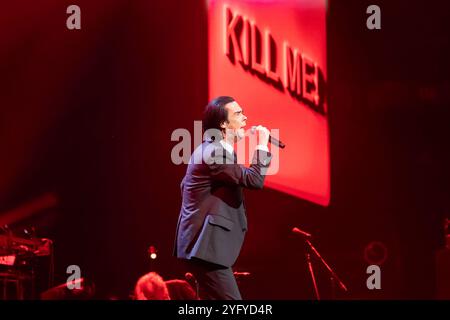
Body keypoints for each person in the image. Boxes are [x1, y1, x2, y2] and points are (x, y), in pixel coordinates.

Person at [173, 96, 272, 300]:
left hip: (204, 246)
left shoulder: (214, 150)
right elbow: (254, 180)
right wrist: (262, 145)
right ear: (223, 124)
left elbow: (185, 186)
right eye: (238, 114)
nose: (245, 118)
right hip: (205, 248)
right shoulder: (214, 152)